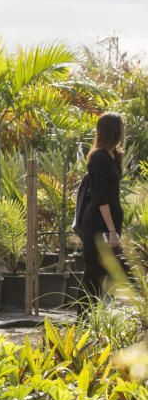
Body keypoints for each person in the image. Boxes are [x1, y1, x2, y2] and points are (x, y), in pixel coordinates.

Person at [77, 112, 126, 313]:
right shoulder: (98, 158)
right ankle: (83, 319)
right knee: (93, 272)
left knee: (106, 271)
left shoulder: (114, 155)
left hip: (111, 223)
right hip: (99, 224)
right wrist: (112, 230)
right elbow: (101, 198)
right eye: (121, 128)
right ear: (114, 131)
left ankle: (97, 316)